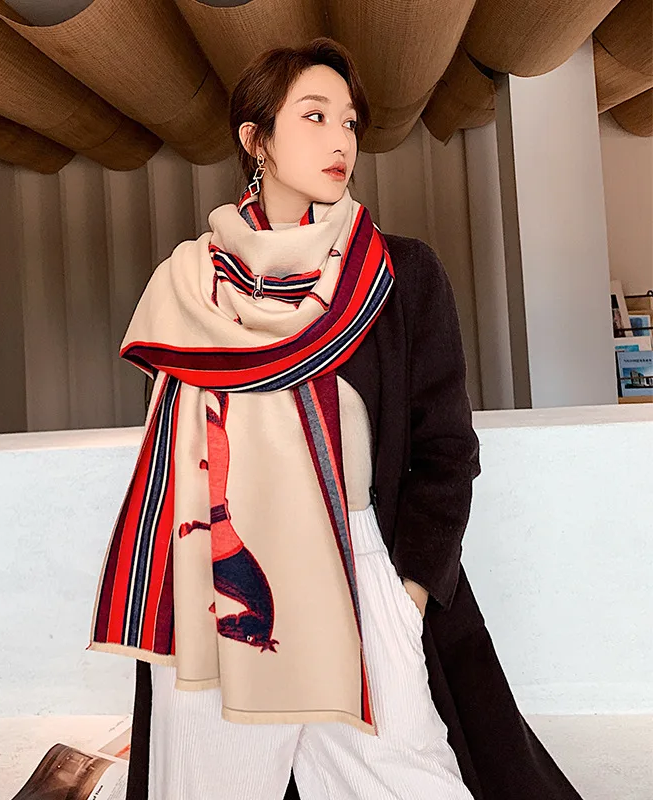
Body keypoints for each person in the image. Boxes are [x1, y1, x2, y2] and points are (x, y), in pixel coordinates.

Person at [88, 37, 585, 800]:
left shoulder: (398, 273)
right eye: (314, 116)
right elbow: (184, 454)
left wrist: (407, 591)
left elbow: (447, 450)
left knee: (404, 778)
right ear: (256, 139)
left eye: (349, 122)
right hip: (219, 572)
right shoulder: (190, 284)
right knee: (208, 781)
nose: (340, 140)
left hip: (359, 561)